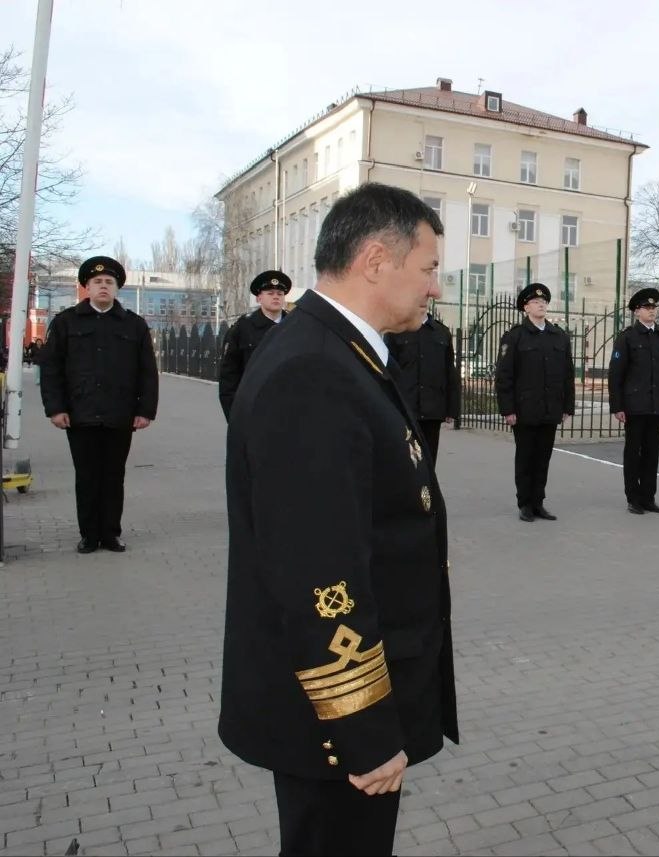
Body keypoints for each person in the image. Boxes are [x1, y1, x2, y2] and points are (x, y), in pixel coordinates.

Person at [219, 183, 457, 857]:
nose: (434, 287)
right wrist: (365, 729)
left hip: (334, 711)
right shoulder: (315, 372)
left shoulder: (338, 352)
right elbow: (320, 575)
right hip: (333, 723)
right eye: (428, 268)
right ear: (376, 260)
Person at [40, 256, 159, 554]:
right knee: (87, 476)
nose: (103, 286)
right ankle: (89, 535)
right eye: (97, 282)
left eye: (109, 282)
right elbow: (51, 369)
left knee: (113, 476)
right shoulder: (66, 322)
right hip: (80, 414)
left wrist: (145, 410)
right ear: (87, 287)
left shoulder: (134, 325)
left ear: (117, 288)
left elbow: (147, 371)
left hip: (120, 414)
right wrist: (56, 408)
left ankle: (111, 534)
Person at [494, 282, 575, 522]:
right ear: (526, 308)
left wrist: (567, 406)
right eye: (536, 302)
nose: (541, 305)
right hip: (525, 409)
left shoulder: (559, 336)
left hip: (550, 408)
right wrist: (508, 409)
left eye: (544, 302)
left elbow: (568, 375)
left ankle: (538, 502)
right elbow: (504, 376)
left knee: (543, 459)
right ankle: (525, 504)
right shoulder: (515, 336)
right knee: (526, 457)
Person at [609, 287, 659, 515]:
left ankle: (648, 497)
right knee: (633, 453)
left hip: (657, 406)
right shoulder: (627, 337)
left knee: (652, 453)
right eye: (647, 307)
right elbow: (616, 374)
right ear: (637, 311)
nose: (652, 311)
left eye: (653, 307)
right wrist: (617, 406)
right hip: (635, 406)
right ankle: (633, 498)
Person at [386, 307, 461, 465]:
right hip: (405, 408)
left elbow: (450, 372)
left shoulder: (441, 332)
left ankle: (428, 483)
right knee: (406, 461)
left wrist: (452, 408)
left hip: (433, 409)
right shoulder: (396, 331)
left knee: (429, 459)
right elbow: (388, 372)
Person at [218, 270, 292, 420]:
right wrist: (234, 417)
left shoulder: (296, 326)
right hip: (254, 409)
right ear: (259, 298)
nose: (276, 296)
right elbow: (229, 376)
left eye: (280, 293)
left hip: (289, 409)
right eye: (270, 293)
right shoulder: (242, 328)